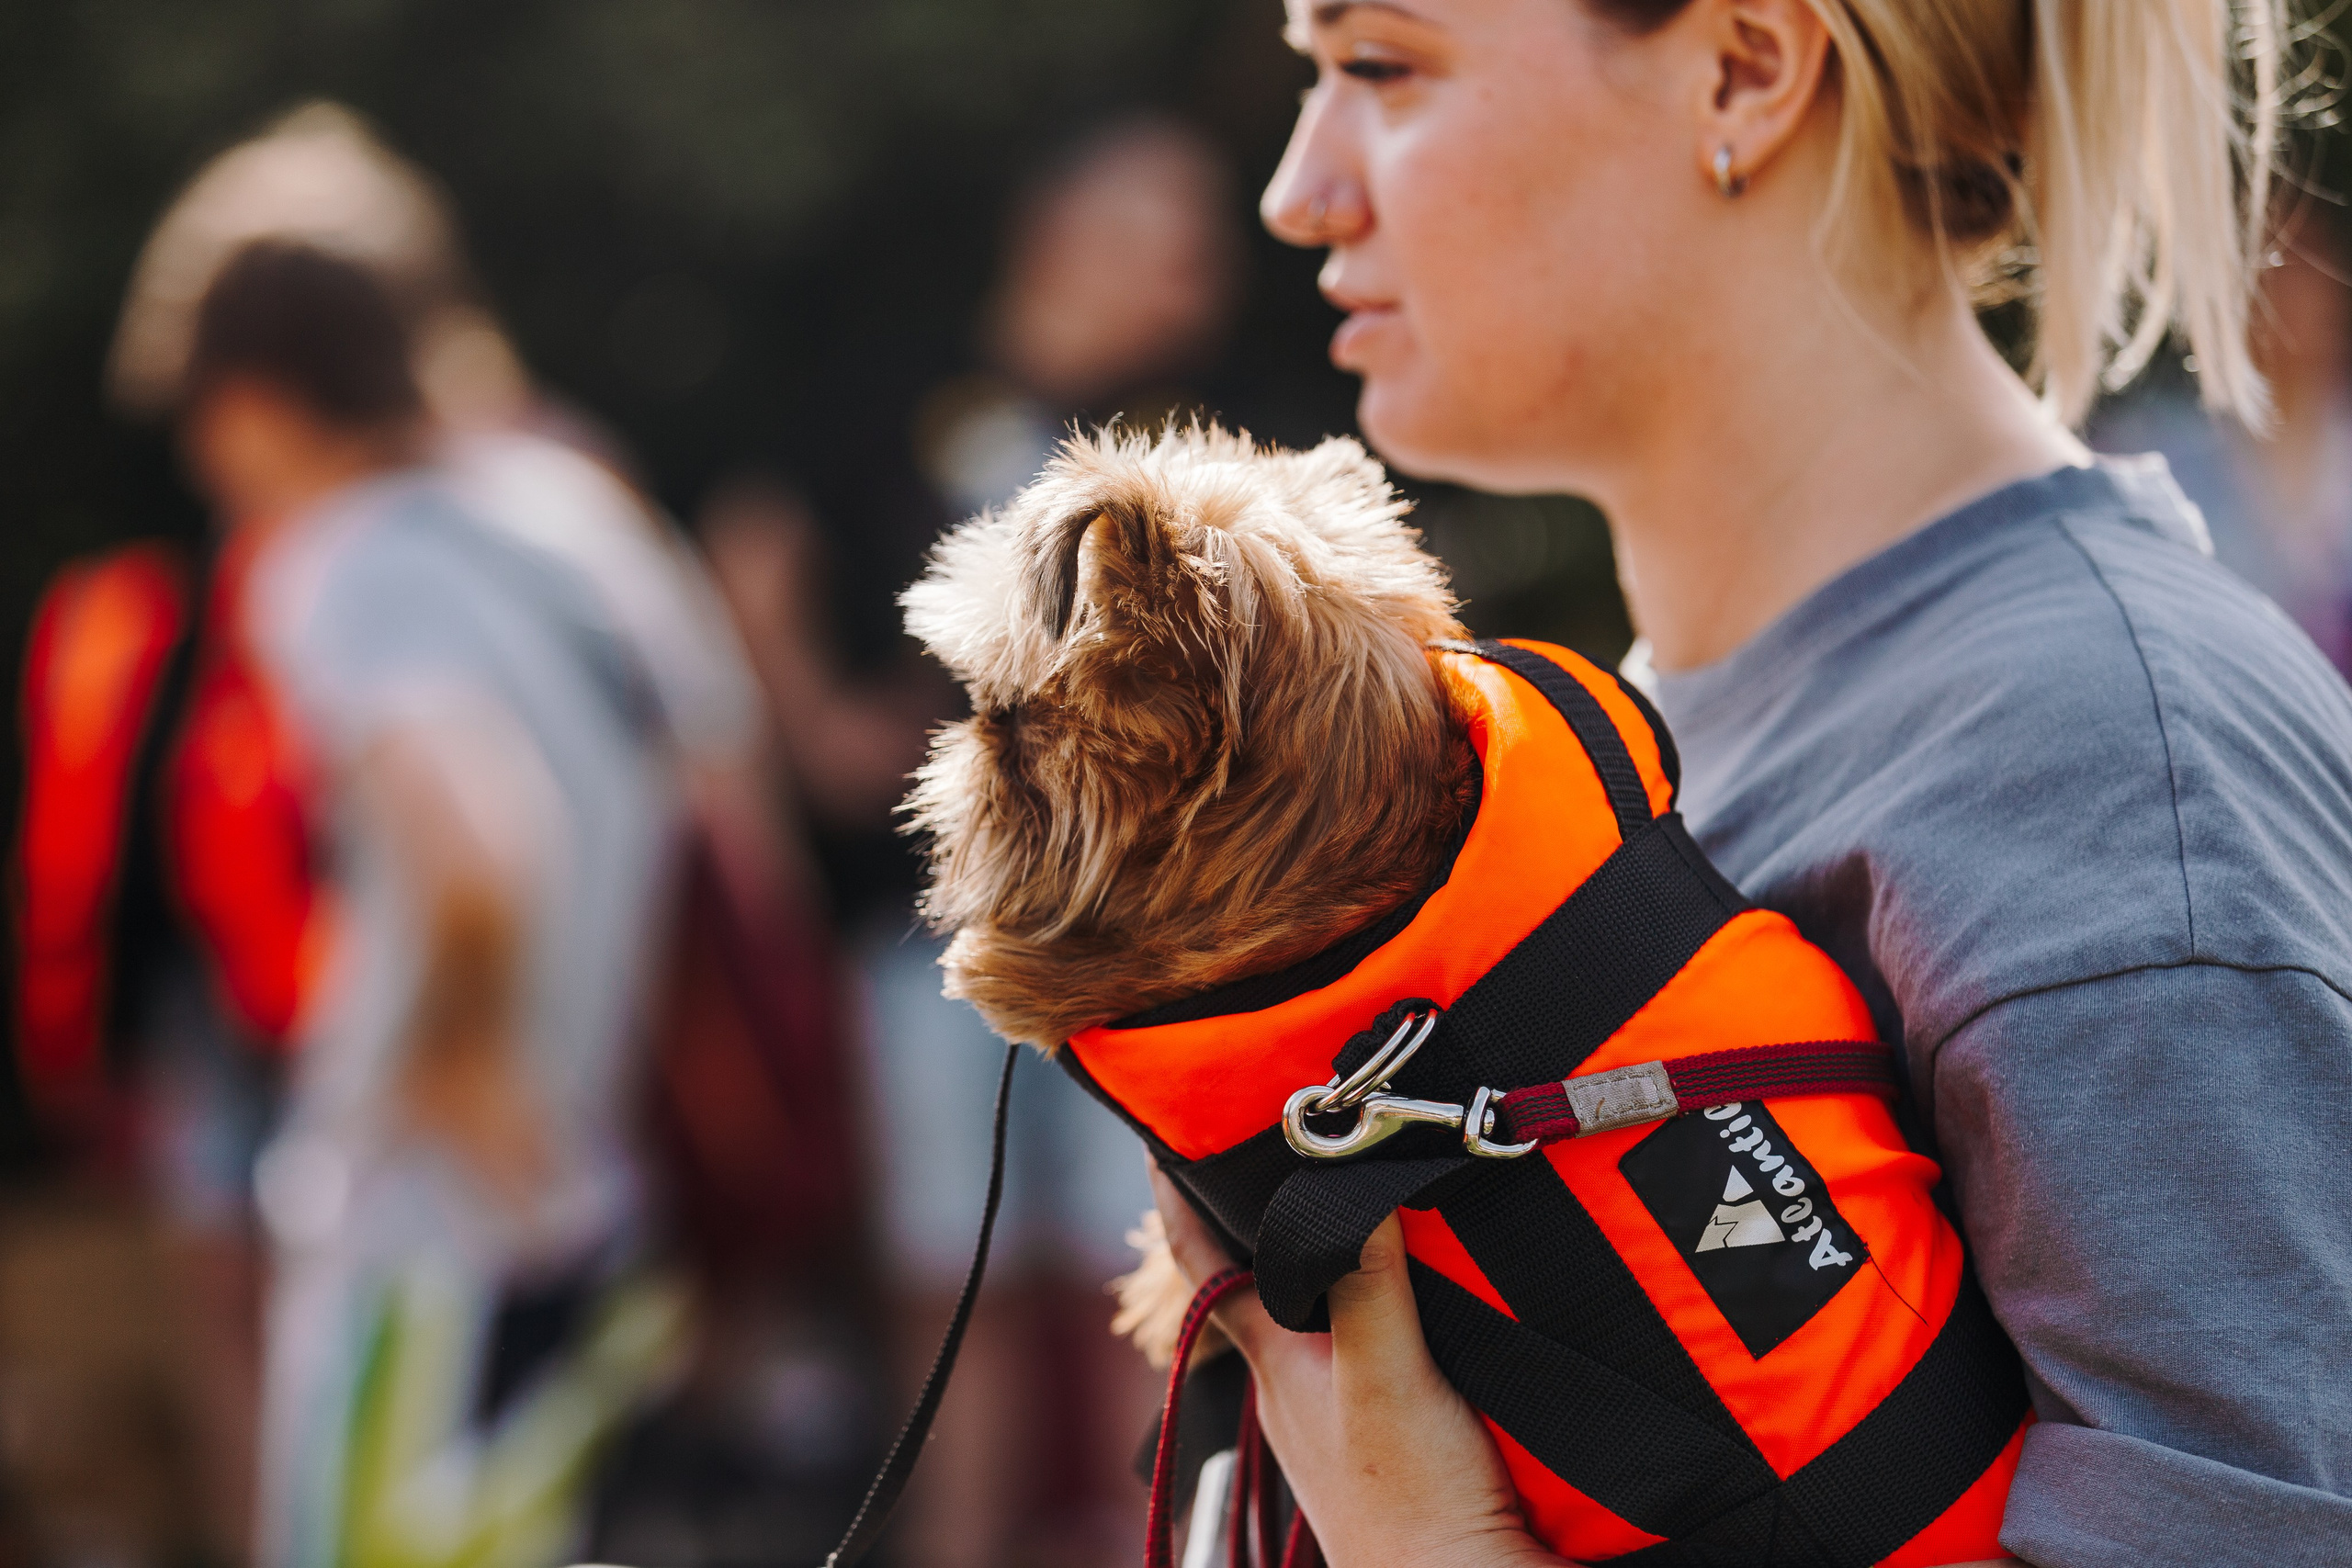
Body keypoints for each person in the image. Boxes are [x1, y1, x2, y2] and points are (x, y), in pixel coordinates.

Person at [1149, 1, 2352, 1565]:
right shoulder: (1665, 734)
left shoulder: (2108, 776)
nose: (1299, 188)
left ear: (1746, 70)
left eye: (1381, 65)